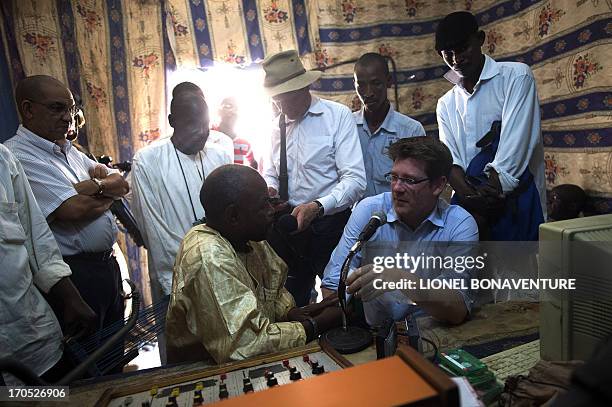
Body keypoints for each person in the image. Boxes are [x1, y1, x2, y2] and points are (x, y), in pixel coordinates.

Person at [4, 75, 129, 371]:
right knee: (86, 367)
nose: (67, 117)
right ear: (28, 109)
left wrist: (92, 187)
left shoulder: (69, 150)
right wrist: (101, 188)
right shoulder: (17, 156)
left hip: (104, 268)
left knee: (114, 359)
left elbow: (120, 185)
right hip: (74, 277)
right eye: (57, 108)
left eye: (71, 109)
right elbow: (74, 209)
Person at [165, 165, 341, 364]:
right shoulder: (209, 257)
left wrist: (293, 312)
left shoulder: (247, 237)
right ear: (234, 216)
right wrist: (320, 323)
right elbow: (247, 344)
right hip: (200, 372)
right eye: (263, 205)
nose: (271, 211)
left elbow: (272, 289)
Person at [321, 137, 478, 326]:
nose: (397, 188)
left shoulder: (460, 225)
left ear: (438, 185)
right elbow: (333, 280)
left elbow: (457, 308)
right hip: (375, 332)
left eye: (409, 180)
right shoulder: (370, 211)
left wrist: (399, 278)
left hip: (435, 336)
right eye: (394, 177)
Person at [262, 50, 366, 306]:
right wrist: (271, 189)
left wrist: (318, 207)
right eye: (277, 99)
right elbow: (270, 172)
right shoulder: (274, 127)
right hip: (289, 230)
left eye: (286, 98)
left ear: (303, 88)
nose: (281, 106)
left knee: (340, 300)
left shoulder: (336, 117)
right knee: (290, 303)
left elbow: (355, 180)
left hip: (330, 227)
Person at [435, 11, 546, 241]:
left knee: (518, 272)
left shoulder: (516, 77)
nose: (456, 60)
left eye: (463, 48)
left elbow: (515, 143)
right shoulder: (446, 104)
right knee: (473, 273)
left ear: (481, 38)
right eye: (448, 54)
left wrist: (494, 188)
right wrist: (469, 198)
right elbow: (450, 159)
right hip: (472, 208)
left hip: (517, 199)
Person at [0, 144, 96, 384]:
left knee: (60, 399)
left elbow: (36, 236)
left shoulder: (3, 159)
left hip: (32, 340)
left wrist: (72, 298)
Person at [131, 90, 232, 301]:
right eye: (193, 124)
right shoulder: (148, 161)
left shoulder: (220, 155)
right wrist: (183, 276)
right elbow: (155, 231)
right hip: (178, 276)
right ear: (172, 121)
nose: (202, 132)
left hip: (226, 269)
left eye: (205, 124)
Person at [353, 52, 426, 198]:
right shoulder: (347, 127)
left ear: (389, 81)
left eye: (376, 83)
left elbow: (419, 185)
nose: (368, 93)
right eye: (361, 85)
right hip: (357, 216)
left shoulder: (411, 130)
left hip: (397, 216)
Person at [214, 96, 257, 168]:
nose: (232, 111)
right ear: (219, 112)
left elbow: (253, 163)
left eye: (236, 108)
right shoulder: (209, 136)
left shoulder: (244, 144)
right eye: (227, 106)